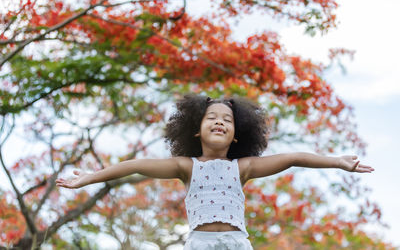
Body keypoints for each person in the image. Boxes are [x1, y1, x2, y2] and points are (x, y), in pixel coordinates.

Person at [56, 94, 374, 249]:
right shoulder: (186, 167)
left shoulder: (243, 168)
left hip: (237, 242)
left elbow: (292, 158)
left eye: (227, 119)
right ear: (196, 130)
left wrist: (337, 160)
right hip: (199, 243)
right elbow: (135, 165)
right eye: (211, 118)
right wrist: (88, 178)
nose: (219, 121)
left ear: (237, 135)